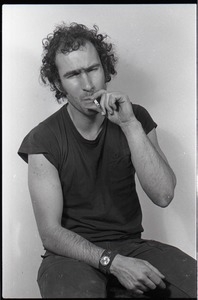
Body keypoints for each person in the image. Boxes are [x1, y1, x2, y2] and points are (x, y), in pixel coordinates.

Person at [18, 22, 196, 298]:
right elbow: (50, 234)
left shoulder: (134, 117)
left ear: (105, 68)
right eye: (74, 74)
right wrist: (113, 263)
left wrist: (129, 125)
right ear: (57, 83)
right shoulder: (42, 139)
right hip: (70, 255)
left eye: (92, 69)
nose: (88, 85)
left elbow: (163, 194)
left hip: (130, 246)